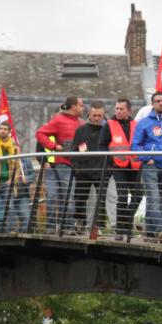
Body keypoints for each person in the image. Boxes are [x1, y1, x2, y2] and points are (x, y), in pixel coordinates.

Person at [132, 92, 162, 241]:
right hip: (151, 166)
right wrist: (146, 158)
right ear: (152, 104)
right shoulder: (144, 122)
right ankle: (161, 230)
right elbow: (135, 145)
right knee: (154, 197)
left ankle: (150, 232)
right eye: (157, 101)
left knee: (161, 199)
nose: (161, 103)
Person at [35, 97, 84, 235]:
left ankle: (62, 227)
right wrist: (54, 146)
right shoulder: (59, 120)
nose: (83, 108)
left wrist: (83, 153)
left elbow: (82, 143)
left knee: (65, 197)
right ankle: (62, 228)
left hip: (73, 164)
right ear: (73, 106)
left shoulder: (79, 122)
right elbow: (40, 134)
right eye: (81, 105)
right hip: (62, 164)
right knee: (63, 196)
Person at [98, 99, 140, 240]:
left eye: (121, 109)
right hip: (118, 166)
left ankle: (126, 223)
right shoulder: (109, 125)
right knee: (122, 197)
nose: (118, 111)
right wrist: (110, 162)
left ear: (129, 110)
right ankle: (121, 230)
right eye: (116, 108)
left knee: (138, 195)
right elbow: (102, 145)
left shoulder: (136, 125)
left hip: (134, 166)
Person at [71, 101, 109, 235]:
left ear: (104, 115)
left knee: (102, 199)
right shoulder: (81, 130)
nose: (97, 118)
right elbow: (74, 150)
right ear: (90, 114)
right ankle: (80, 224)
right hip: (84, 170)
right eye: (94, 115)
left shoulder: (107, 129)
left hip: (102, 170)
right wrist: (77, 167)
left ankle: (97, 227)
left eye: (100, 116)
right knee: (80, 198)